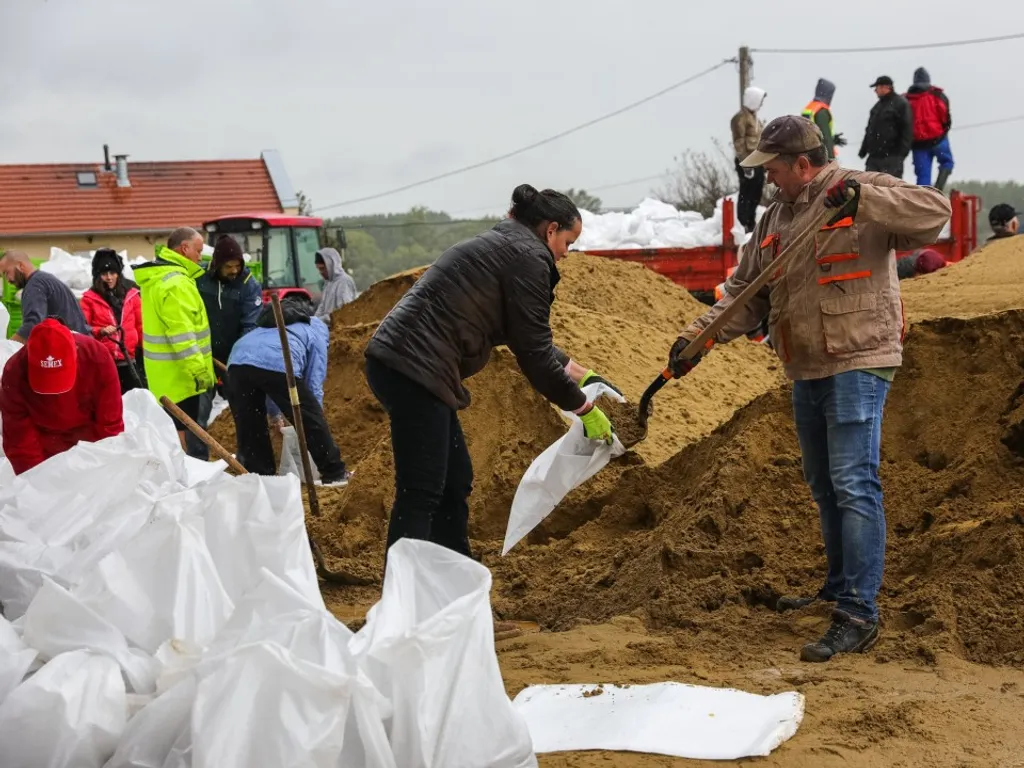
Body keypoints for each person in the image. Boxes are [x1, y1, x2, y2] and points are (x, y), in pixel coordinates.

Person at [669, 116, 950, 663]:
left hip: (858, 359)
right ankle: (838, 587)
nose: (768, 179)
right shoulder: (777, 216)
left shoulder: (863, 189)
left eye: (773, 168)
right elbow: (746, 293)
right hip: (807, 366)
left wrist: (864, 201)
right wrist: (696, 338)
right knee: (824, 486)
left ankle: (859, 613)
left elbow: (934, 214)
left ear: (802, 163)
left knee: (853, 483)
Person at [364, 184, 619, 559]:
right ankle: (403, 602)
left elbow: (529, 338)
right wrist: (583, 409)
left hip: (408, 363)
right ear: (551, 230)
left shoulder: (507, 245)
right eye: (568, 241)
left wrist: (582, 374)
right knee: (422, 489)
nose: (567, 253)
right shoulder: (530, 258)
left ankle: (452, 585)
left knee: (455, 481)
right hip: (415, 368)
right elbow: (533, 355)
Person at [227, 295, 350, 485]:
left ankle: (260, 475)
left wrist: (275, 416)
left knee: (250, 423)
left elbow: (264, 380)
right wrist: (314, 414)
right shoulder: (317, 328)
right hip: (278, 360)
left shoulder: (267, 325)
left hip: (237, 361)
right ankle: (334, 472)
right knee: (308, 417)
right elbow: (313, 379)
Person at [0, 317, 123, 475]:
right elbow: (20, 439)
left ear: (76, 352)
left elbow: (109, 425)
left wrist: (100, 470)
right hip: (44, 447)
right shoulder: (14, 373)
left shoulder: (97, 358)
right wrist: (36, 478)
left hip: (89, 447)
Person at [133, 227, 215, 455]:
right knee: (186, 442)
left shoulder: (159, 278)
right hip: (184, 380)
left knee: (172, 435)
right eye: (198, 251)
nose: (200, 256)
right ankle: (192, 482)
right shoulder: (176, 284)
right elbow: (182, 337)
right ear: (184, 248)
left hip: (165, 378)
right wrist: (200, 373)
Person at [195, 235, 263, 458]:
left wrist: (235, 361)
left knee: (245, 413)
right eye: (228, 266)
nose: (234, 271)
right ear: (217, 265)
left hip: (235, 359)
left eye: (237, 266)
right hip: (204, 357)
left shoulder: (248, 284)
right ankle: (198, 461)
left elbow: (249, 325)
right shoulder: (201, 280)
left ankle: (249, 460)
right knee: (198, 413)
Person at [80, 249, 144, 394]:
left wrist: (144, 351)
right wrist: (100, 331)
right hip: (105, 361)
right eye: (104, 274)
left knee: (136, 398)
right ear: (98, 276)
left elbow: (141, 326)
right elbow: (83, 328)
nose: (109, 278)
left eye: (113, 273)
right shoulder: (89, 299)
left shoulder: (132, 295)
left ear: (119, 274)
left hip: (130, 360)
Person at [0, 251, 89, 343]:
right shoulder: (46, 279)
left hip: (71, 348)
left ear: (20, 265)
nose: (7, 280)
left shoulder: (34, 286)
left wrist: (9, 348)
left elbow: (32, 325)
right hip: (81, 343)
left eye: (6, 273)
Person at [905, 68, 953, 191]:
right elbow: (945, 117)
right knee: (947, 162)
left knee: (923, 177)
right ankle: (938, 190)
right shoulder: (937, 95)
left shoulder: (907, 99)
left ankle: (925, 200)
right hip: (938, 140)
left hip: (918, 144)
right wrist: (943, 131)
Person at [858, 76, 913, 179]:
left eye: (877, 87)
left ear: (885, 87)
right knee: (869, 189)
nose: (875, 90)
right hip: (874, 157)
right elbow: (870, 129)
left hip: (892, 157)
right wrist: (863, 150)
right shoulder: (876, 107)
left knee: (890, 191)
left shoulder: (901, 104)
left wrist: (901, 155)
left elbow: (907, 130)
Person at [731, 86, 768, 232]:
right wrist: (745, 164)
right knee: (746, 192)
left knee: (756, 193)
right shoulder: (740, 118)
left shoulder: (755, 118)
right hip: (746, 161)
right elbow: (739, 142)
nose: (761, 104)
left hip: (757, 161)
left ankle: (751, 222)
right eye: (760, 100)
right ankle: (743, 222)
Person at [802, 78, 846, 161]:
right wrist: (831, 159)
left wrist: (833, 139)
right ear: (828, 94)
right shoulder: (821, 111)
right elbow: (825, 137)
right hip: (821, 157)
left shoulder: (810, 108)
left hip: (809, 153)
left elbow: (814, 133)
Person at [314, 247, 358, 323]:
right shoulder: (328, 283)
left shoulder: (344, 282)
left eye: (322, 268)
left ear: (331, 265)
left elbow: (343, 312)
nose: (320, 273)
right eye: (318, 269)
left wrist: (321, 320)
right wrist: (313, 320)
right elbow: (322, 307)